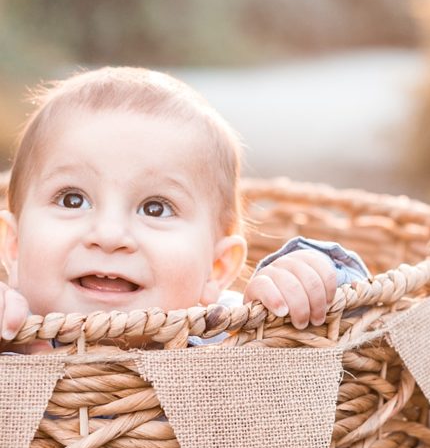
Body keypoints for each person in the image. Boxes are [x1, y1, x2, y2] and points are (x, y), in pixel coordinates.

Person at [0, 66, 368, 350]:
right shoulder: (9, 331)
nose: (109, 235)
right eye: (72, 199)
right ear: (13, 247)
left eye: (155, 208)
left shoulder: (225, 331)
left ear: (216, 268)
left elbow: (359, 324)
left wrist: (307, 280)